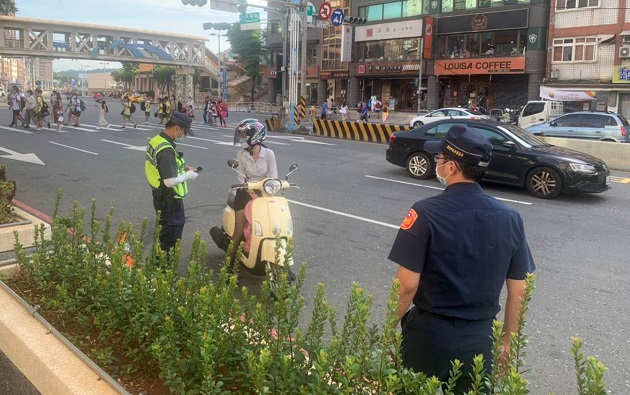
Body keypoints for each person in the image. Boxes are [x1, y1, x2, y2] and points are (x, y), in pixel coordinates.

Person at [388, 125, 536, 394]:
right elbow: (520, 289)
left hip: (428, 337)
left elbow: (407, 285)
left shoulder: (425, 213)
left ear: (452, 167)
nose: (437, 164)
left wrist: (387, 332)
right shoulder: (510, 218)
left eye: (440, 159)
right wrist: (506, 342)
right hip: (480, 341)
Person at [145, 112, 198, 254]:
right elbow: (169, 181)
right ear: (176, 128)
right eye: (184, 132)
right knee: (170, 238)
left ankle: (159, 265)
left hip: (159, 195)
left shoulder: (157, 140)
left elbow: (163, 167)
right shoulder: (166, 149)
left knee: (163, 235)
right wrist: (188, 175)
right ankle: (164, 270)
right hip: (169, 198)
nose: (184, 135)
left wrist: (183, 168)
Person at [228, 119, 277, 266]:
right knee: (239, 232)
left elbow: (274, 178)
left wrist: (264, 193)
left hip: (265, 194)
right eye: (241, 135)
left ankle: (280, 261)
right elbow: (241, 179)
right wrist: (253, 194)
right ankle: (229, 265)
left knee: (274, 228)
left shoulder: (269, 154)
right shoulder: (241, 155)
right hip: (245, 193)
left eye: (245, 135)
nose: (242, 138)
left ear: (255, 136)